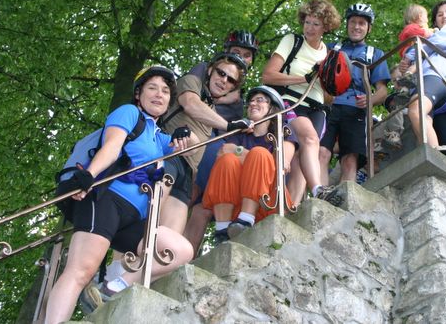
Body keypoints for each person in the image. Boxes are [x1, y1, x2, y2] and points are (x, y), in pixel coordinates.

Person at [46, 66, 195, 323]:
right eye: (152, 88)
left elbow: (186, 144)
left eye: (165, 91)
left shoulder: (157, 136)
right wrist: (88, 176)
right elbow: (113, 146)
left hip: (135, 217)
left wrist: (185, 134)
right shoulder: (128, 113)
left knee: (180, 250)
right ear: (138, 94)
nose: (159, 94)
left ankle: (113, 287)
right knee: (81, 271)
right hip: (106, 199)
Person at [159, 51, 250, 250]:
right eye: (221, 73)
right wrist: (229, 126)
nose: (224, 80)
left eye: (231, 80)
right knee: (147, 220)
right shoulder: (192, 82)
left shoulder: (212, 110)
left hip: (187, 175)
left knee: (167, 236)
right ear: (210, 70)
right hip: (165, 155)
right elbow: (190, 104)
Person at [262, 0, 342, 206]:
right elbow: (268, 75)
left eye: (316, 24)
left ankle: (291, 208)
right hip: (290, 101)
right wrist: (305, 78)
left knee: (301, 158)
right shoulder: (292, 41)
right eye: (307, 22)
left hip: (318, 108)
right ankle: (317, 189)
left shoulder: (328, 54)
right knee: (310, 139)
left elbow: (329, 96)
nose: (310, 28)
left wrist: (328, 82)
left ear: (325, 27)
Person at [202, 86, 296, 243]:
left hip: (269, 204)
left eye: (259, 100)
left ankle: (247, 219)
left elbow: (280, 163)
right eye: (251, 101)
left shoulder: (283, 133)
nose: (252, 104)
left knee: (259, 153)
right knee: (227, 161)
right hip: (236, 205)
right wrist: (251, 160)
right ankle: (223, 230)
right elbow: (223, 152)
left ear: (272, 108)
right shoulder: (239, 134)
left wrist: (244, 155)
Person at [318, 3, 390, 185]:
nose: (357, 27)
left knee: (350, 159)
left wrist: (370, 99)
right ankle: (320, 197)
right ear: (347, 24)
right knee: (321, 152)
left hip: (355, 109)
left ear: (368, 28)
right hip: (328, 106)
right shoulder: (331, 48)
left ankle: (346, 200)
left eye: (362, 23)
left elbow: (383, 91)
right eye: (353, 22)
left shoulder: (374, 53)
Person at [399, 0, 446, 147]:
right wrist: (407, 63)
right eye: (439, 14)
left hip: (437, 75)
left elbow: (435, 43)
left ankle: (434, 160)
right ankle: (426, 161)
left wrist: (410, 55)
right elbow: (420, 49)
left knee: (416, 110)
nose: (444, 16)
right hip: (422, 78)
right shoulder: (429, 37)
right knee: (423, 120)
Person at [395, 4, 436, 94]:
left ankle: (404, 90)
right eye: (426, 17)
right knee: (418, 63)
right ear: (420, 16)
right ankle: (407, 75)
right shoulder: (411, 27)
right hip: (412, 49)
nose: (427, 20)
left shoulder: (413, 27)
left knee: (416, 67)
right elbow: (412, 32)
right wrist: (428, 32)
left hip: (409, 52)